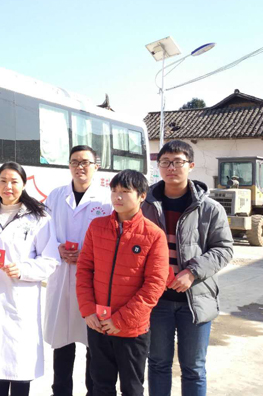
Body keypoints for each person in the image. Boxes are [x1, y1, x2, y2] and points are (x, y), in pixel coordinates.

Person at [142, 140, 233, 396]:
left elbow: (224, 249)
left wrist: (192, 272)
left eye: (178, 162)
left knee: (194, 368)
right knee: (158, 363)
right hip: (156, 300)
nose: (171, 167)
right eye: (165, 162)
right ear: (158, 166)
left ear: (191, 165)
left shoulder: (210, 208)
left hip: (196, 300)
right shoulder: (144, 205)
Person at [0, 162, 60, 396]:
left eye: (14, 181)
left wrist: (23, 269)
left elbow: (50, 260)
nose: (8, 186)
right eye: (3, 181)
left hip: (20, 300)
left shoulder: (39, 217)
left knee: (19, 366)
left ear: (24, 184)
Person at [76, 169, 168, 396]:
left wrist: (121, 320)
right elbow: (84, 270)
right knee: (100, 386)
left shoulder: (154, 235)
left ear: (142, 196)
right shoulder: (97, 227)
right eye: (114, 191)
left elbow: (155, 285)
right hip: (98, 323)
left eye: (125, 191)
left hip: (131, 330)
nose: (117, 197)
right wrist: (88, 311)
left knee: (132, 388)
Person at [44, 145, 112, 396]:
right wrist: (57, 248)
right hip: (61, 274)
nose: (79, 167)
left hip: (93, 277)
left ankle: (92, 391)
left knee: (94, 341)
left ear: (96, 166)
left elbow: (112, 237)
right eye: (74, 162)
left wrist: (88, 254)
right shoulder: (56, 196)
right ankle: (60, 391)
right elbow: (43, 230)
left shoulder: (106, 200)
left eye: (85, 162)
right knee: (62, 340)